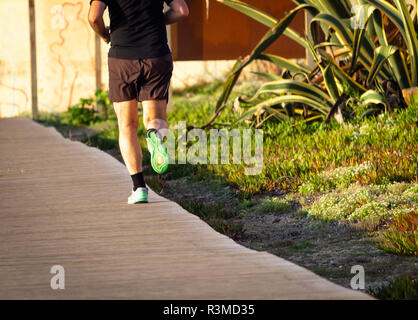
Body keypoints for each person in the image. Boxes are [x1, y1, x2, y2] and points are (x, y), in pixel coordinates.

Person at [88, 0, 189, 204]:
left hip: (122, 58)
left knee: (127, 125)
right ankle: (155, 137)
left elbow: (94, 17)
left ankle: (139, 187)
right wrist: (157, 20)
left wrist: (105, 34)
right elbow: (181, 11)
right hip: (156, 54)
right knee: (155, 118)